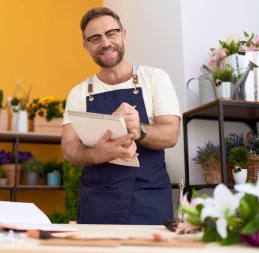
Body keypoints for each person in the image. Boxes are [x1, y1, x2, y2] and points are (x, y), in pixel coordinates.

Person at [61, 7, 181, 225]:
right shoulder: (78, 93)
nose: (105, 43)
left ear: (123, 34)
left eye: (111, 33)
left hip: (148, 198)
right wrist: (97, 153)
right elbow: (68, 146)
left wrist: (140, 130)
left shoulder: (155, 78)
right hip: (97, 202)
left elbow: (171, 134)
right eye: (95, 38)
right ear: (86, 46)